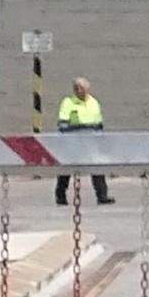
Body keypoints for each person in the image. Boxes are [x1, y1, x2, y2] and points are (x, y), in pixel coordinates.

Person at [52, 79, 112, 207]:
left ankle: (102, 196)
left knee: (97, 168)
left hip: (91, 141)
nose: (78, 90)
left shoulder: (94, 102)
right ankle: (60, 196)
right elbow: (62, 123)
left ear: (87, 89)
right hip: (72, 140)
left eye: (81, 88)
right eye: (76, 88)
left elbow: (99, 123)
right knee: (66, 170)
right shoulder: (67, 102)